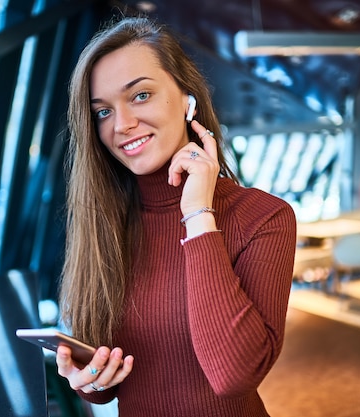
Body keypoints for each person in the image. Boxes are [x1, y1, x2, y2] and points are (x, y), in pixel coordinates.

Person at [55, 15, 297, 417]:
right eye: (102, 112)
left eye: (140, 95)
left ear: (187, 99)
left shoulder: (263, 218)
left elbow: (233, 376)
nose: (122, 125)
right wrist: (90, 378)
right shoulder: (104, 224)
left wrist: (198, 215)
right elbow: (103, 391)